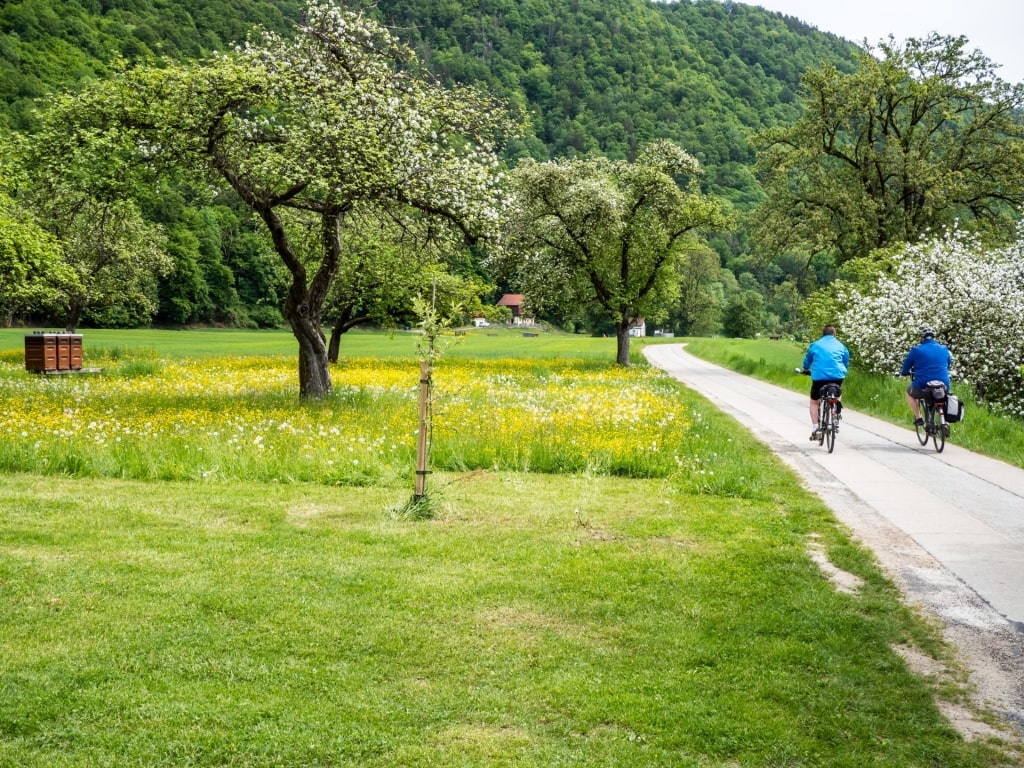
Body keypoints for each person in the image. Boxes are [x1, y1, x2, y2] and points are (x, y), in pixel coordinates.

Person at [801, 325, 850, 440]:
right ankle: (836, 412)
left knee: (814, 402)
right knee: (837, 392)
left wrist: (806, 368)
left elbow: (807, 360)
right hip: (837, 376)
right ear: (834, 334)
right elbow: (845, 362)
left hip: (819, 377)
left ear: (823, 334)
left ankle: (815, 428)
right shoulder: (841, 346)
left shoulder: (815, 345)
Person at [900, 327, 952, 426]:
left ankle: (918, 418)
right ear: (934, 337)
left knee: (909, 393)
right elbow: (949, 364)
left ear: (922, 338)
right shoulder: (944, 349)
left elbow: (907, 364)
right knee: (946, 398)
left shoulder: (916, 350)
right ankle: (946, 423)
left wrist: (904, 372)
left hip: (923, 385)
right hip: (943, 383)